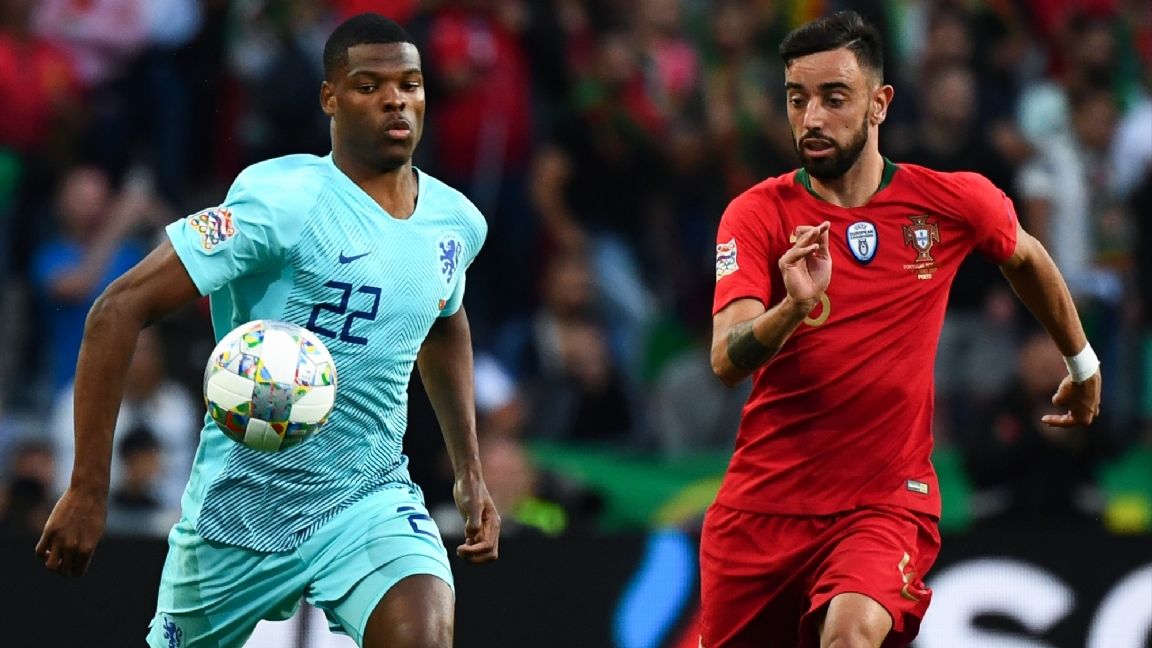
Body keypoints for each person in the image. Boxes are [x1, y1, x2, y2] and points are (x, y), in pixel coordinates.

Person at [36, 13, 501, 648]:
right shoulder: (282, 200)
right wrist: (89, 488)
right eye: (369, 86)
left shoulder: (456, 221)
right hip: (240, 511)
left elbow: (444, 322)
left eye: (410, 84)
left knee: (424, 632)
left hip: (368, 498)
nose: (395, 99)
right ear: (330, 98)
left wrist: (469, 470)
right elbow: (116, 310)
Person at [703, 11, 1101, 648]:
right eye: (797, 99)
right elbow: (726, 358)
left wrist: (1081, 363)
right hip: (762, 511)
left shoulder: (947, 201)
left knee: (851, 635)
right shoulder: (756, 215)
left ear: (879, 103)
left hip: (884, 503)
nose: (811, 118)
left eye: (834, 98)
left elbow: (1026, 257)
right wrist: (792, 309)